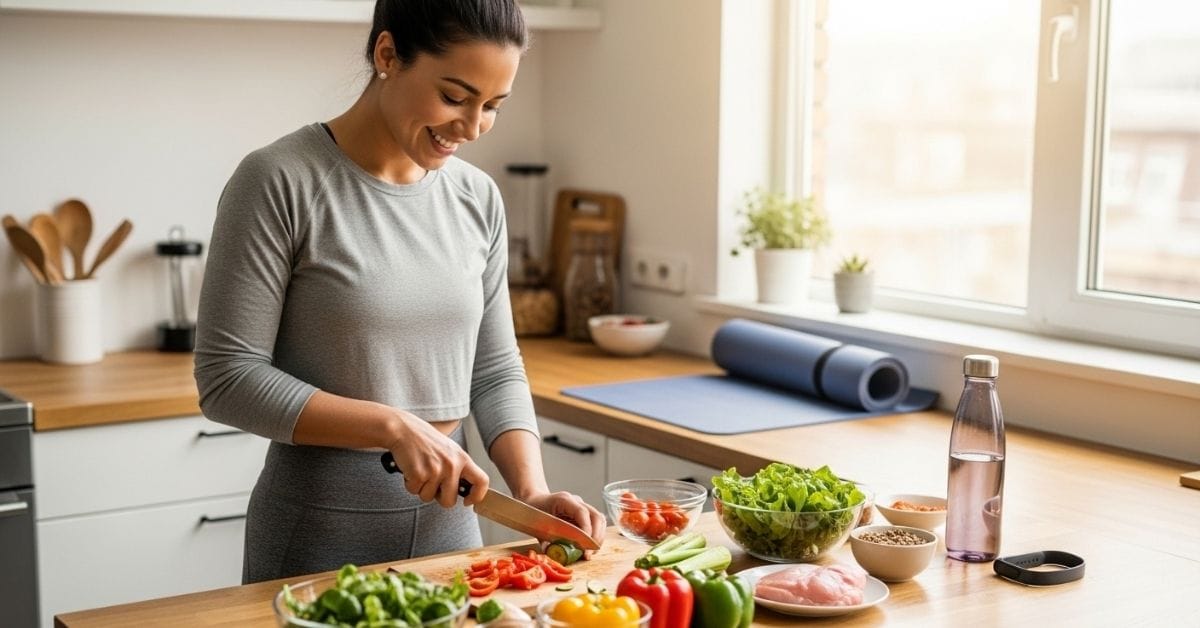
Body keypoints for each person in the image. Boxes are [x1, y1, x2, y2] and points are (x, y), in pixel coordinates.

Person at [194, 0, 605, 584]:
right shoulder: (278, 181)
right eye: (455, 97)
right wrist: (394, 425)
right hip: (317, 533)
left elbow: (492, 369)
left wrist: (530, 491)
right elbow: (228, 379)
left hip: (452, 533)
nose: (472, 127)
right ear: (387, 55)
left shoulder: (477, 197)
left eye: (492, 106)